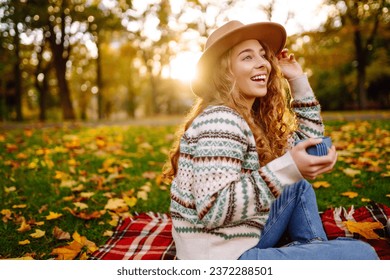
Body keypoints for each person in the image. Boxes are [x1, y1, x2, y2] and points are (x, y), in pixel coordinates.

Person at [162, 20, 378, 260]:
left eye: (263, 55)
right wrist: (287, 169)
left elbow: (310, 146)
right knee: (363, 255)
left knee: (296, 185)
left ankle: (312, 249)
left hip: (238, 236)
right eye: (247, 57)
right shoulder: (221, 120)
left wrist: (296, 79)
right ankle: (312, 255)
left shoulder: (249, 118)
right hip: (219, 259)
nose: (263, 64)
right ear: (224, 72)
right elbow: (213, 210)